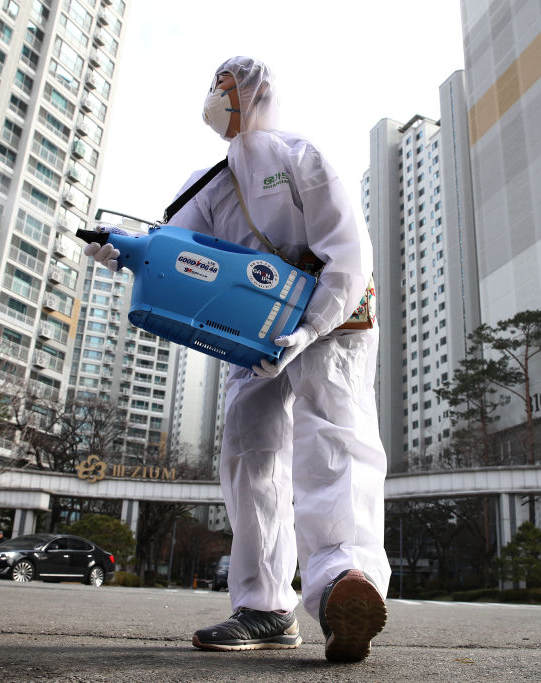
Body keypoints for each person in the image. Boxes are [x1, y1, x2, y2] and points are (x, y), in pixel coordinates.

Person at [85, 57, 390, 662]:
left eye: (223, 89)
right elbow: (173, 247)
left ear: (255, 95)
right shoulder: (210, 181)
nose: (213, 100)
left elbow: (348, 255)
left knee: (333, 439)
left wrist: (310, 327)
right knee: (250, 455)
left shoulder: (303, 158)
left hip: (333, 322)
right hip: (250, 335)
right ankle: (264, 607)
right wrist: (123, 251)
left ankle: (345, 586)